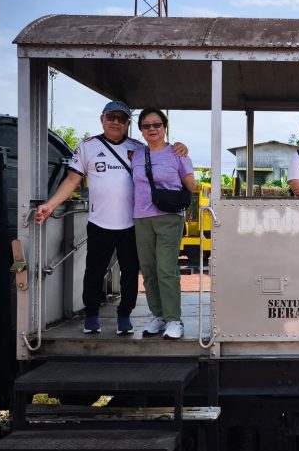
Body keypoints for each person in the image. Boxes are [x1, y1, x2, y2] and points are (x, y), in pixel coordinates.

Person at [34, 100, 186, 336]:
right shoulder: (87, 146)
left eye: (121, 118)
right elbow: (72, 180)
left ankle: (125, 315)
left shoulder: (137, 148)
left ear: (128, 124)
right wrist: (50, 205)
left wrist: (179, 147)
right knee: (94, 270)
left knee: (131, 272)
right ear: (102, 119)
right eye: (111, 117)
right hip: (99, 221)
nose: (116, 122)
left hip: (133, 222)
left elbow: (162, 152)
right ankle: (91, 315)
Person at [132, 107, 196, 340]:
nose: (152, 129)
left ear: (164, 127)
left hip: (169, 217)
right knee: (148, 270)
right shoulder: (136, 153)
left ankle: (173, 319)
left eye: (156, 124)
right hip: (141, 217)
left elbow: (192, 187)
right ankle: (157, 315)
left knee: (166, 269)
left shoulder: (178, 154)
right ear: (140, 129)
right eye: (146, 125)